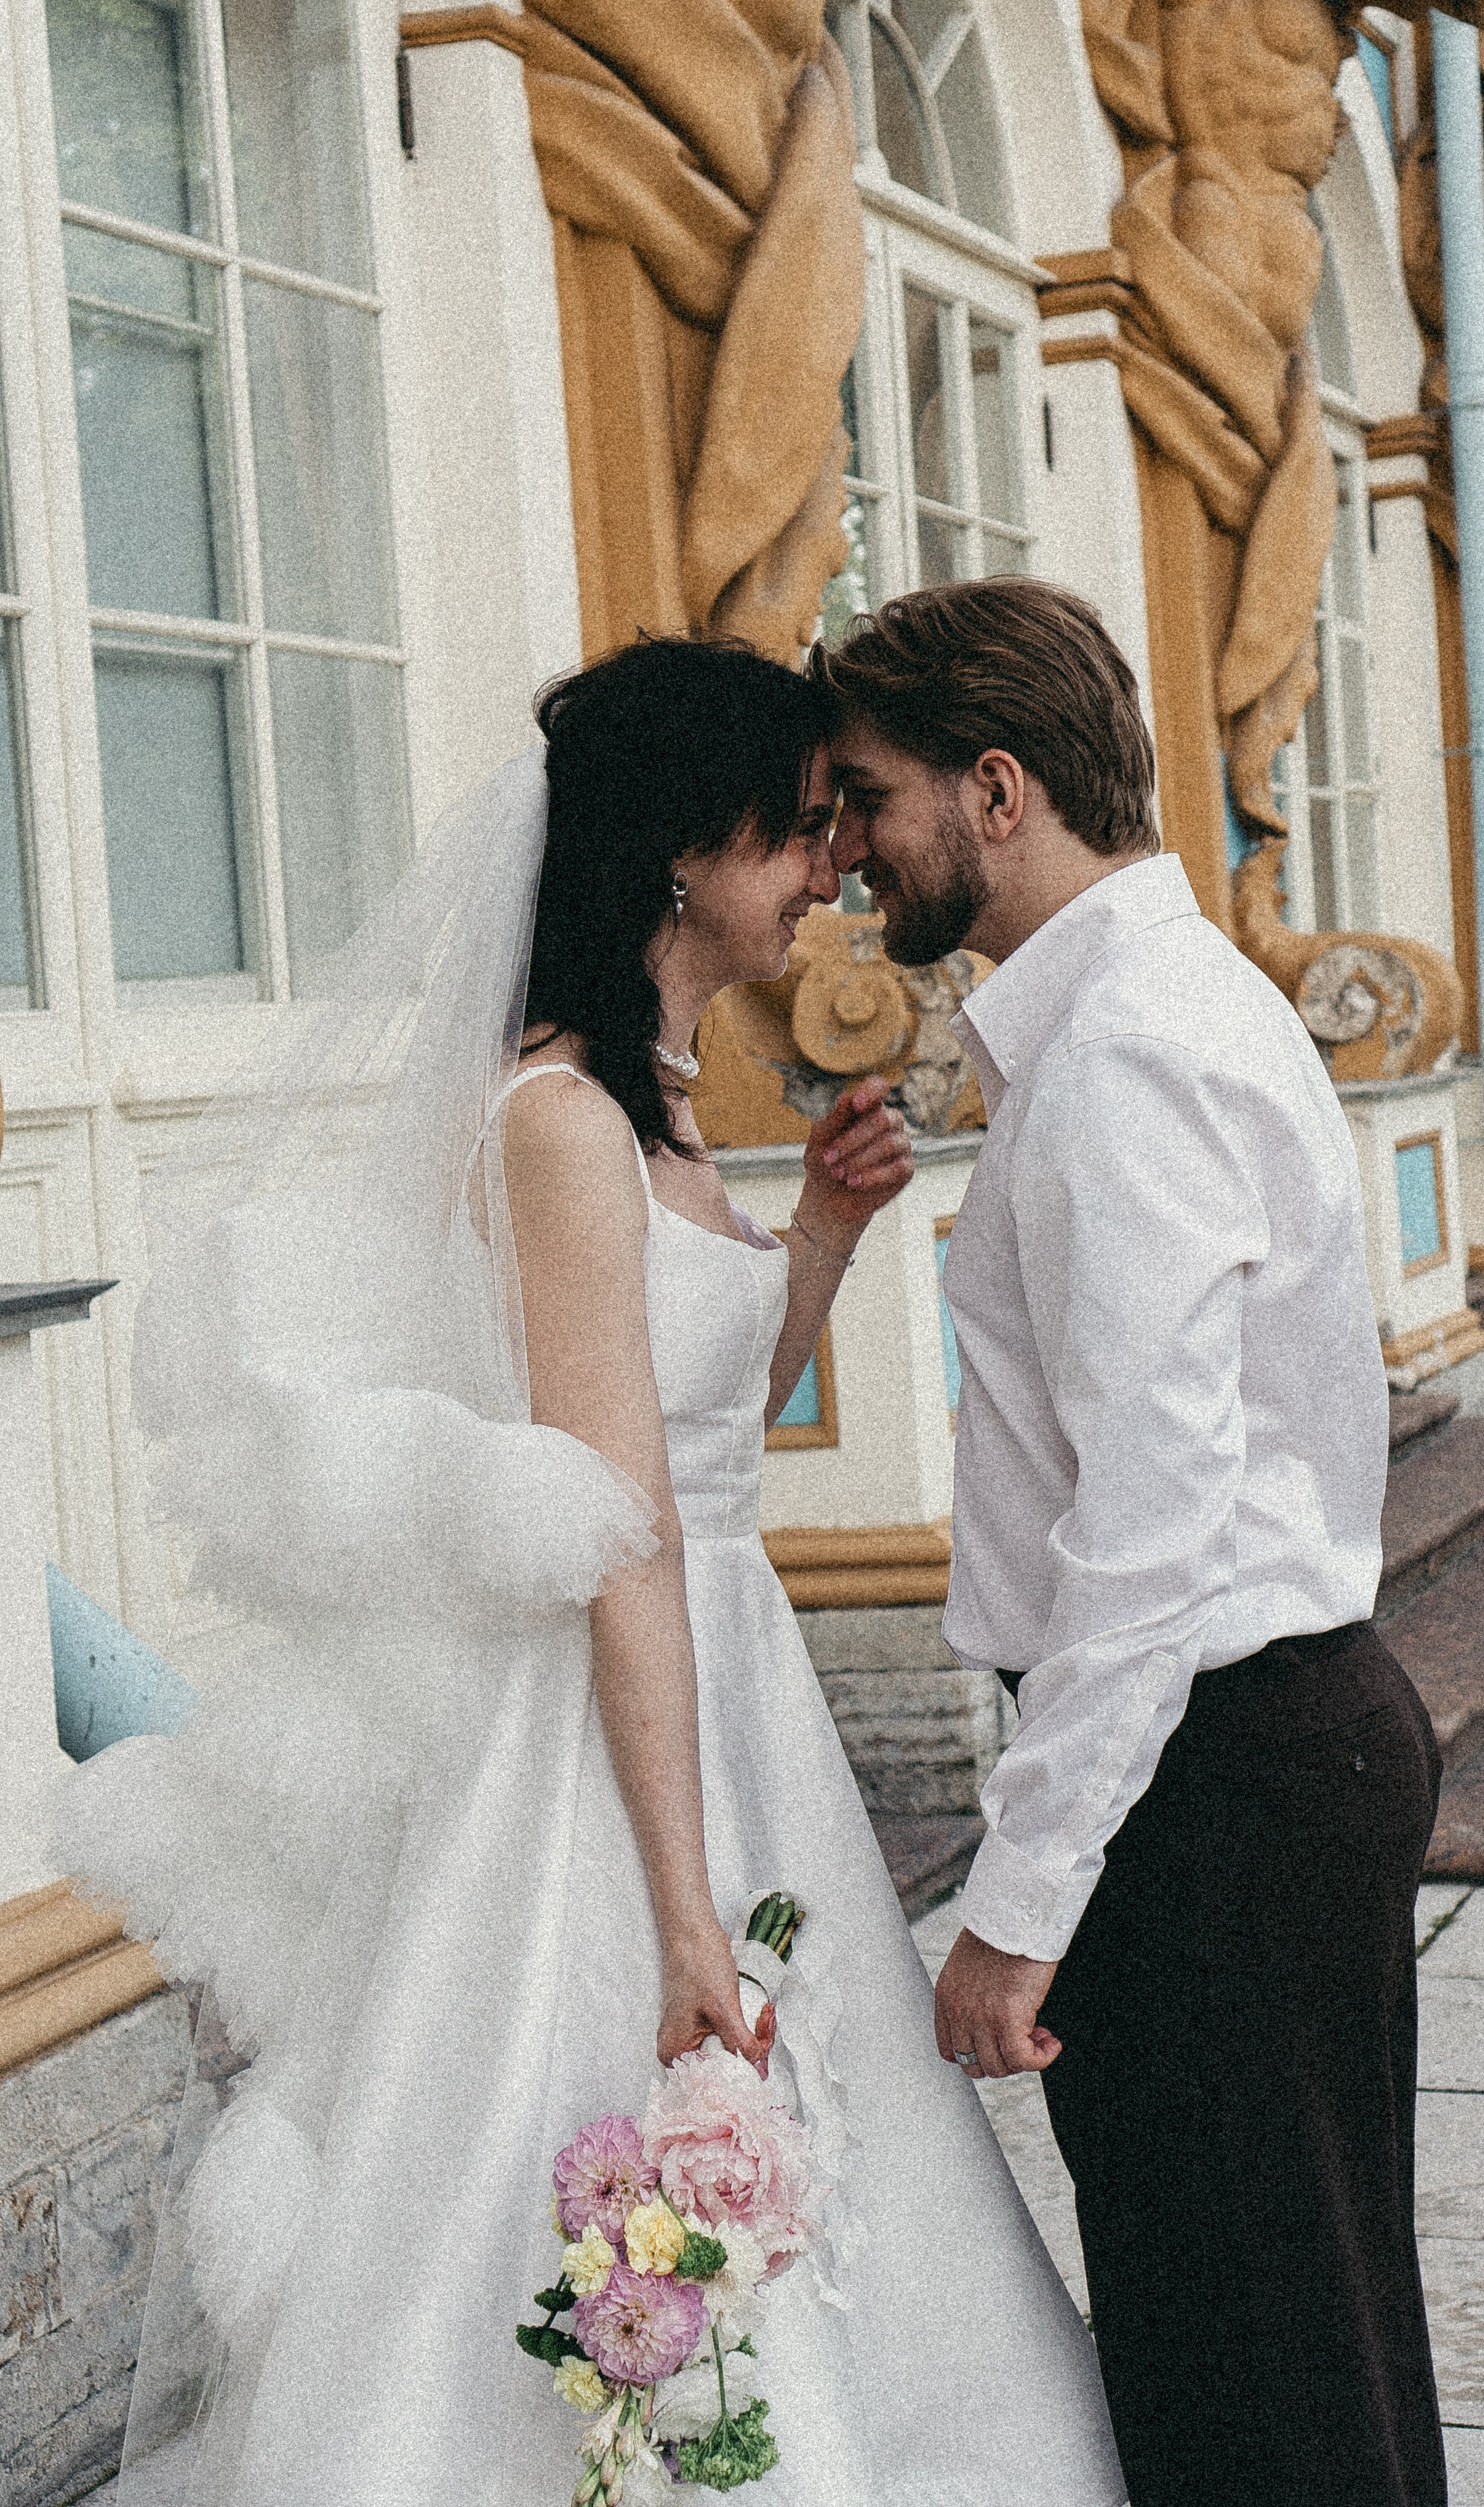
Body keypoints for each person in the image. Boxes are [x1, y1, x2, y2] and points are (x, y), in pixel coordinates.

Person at [56, 637, 1125, 2507]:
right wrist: (688, 1907)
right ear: (676, 856)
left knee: (828, 2151)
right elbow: (621, 1531)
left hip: (728, 1666)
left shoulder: (661, 1105)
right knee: (607, 2096)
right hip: (615, 1712)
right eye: (796, 836)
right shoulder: (557, 1125)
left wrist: (824, 1238)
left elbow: (710, 1424)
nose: (827, 876)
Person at [816, 578, 1447, 2507]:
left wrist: (1017, 1902)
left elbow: (1151, 1529)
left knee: (1255, 2370)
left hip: (1219, 1779)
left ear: (995, 789)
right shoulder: (1144, 1015)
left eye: (867, 799)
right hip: (1256, 1754)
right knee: (1294, 2343)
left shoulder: (1126, 1057)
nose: (846, 854)